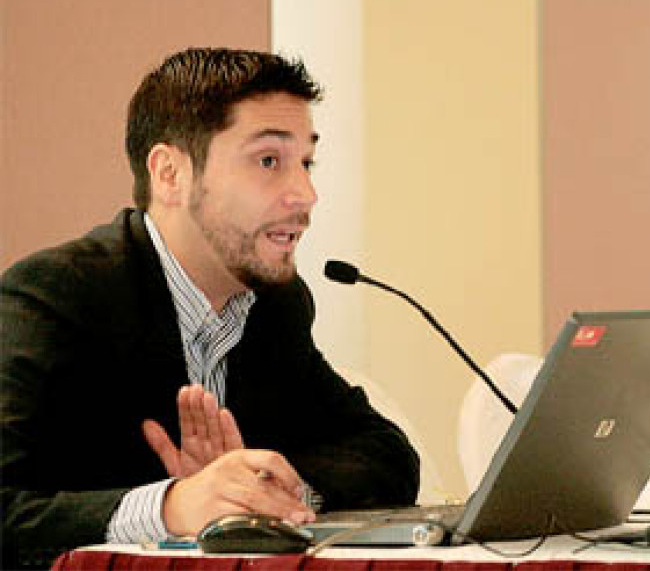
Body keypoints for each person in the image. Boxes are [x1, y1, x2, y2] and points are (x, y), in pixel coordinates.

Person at [0, 47, 420, 569]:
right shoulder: (56, 295)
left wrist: (260, 490)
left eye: (306, 163)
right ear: (170, 174)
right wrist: (172, 506)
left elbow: (386, 454)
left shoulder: (275, 306)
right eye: (269, 161)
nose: (306, 193)